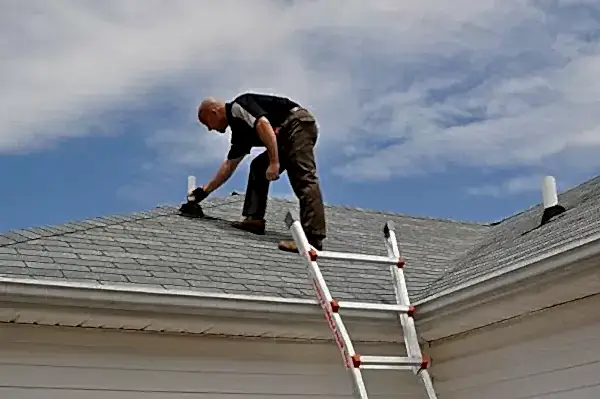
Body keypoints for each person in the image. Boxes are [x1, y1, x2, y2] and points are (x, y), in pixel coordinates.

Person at [184, 92, 327, 252]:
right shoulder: (240, 132)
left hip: (297, 124)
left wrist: (274, 162)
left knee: (304, 179)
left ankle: (312, 239)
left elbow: (263, 124)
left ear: (214, 112)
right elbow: (230, 165)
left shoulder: (238, 107)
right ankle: (254, 220)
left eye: (207, 123)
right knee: (258, 167)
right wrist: (204, 192)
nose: (210, 129)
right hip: (286, 133)